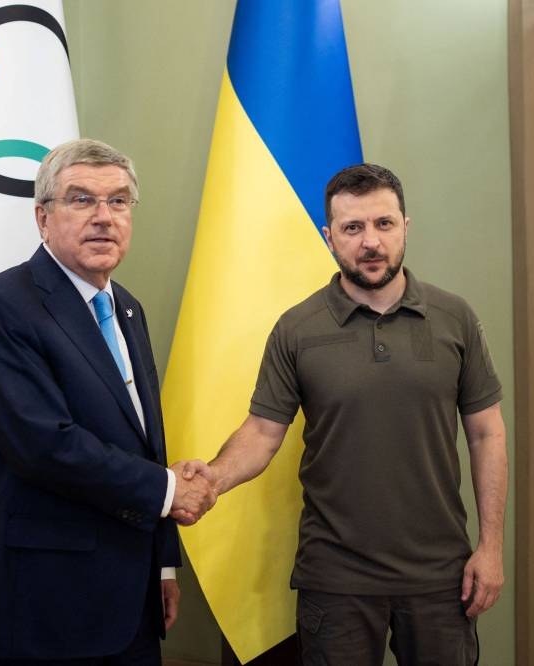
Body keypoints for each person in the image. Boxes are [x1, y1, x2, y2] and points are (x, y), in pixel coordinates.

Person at [177, 163, 507, 666]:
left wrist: (491, 547)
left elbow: (486, 434)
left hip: (440, 574)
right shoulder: (296, 329)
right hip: (336, 579)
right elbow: (263, 432)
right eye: (353, 228)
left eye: (383, 224)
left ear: (405, 227)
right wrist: (214, 479)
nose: (370, 242)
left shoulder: (454, 318)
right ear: (330, 237)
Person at [0, 138, 215, 665]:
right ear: (43, 218)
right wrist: (170, 491)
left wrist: (163, 562)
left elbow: (146, 441)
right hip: (46, 607)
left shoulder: (127, 309)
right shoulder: (3, 305)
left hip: (133, 600)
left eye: (118, 201)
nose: (104, 217)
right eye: (82, 200)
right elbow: (43, 446)